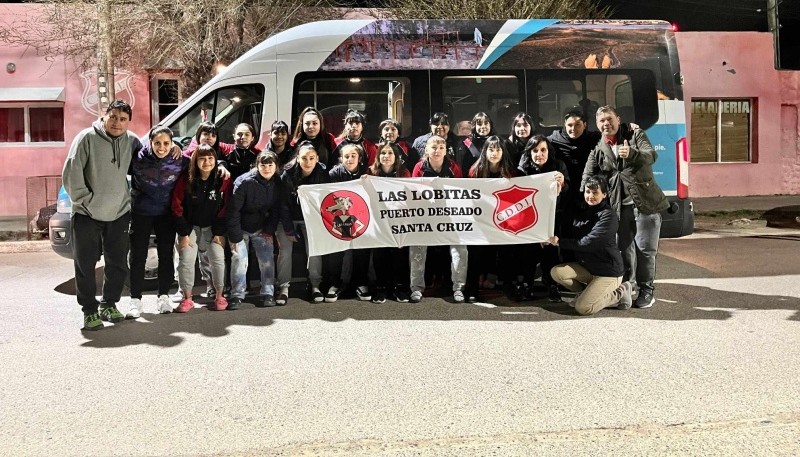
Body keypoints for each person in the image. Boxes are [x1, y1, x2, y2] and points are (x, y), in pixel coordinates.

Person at [62, 99, 141, 330]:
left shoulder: (132, 142)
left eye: (123, 119)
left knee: (117, 263)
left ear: (128, 122)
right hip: (87, 213)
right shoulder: (86, 138)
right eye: (113, 117)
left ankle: (109, 304)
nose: (117, 122)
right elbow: (71, 173)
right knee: (85, 264)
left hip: (119, 213)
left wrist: (175, 149)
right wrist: (85, 201)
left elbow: (151, 158)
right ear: (104, 116)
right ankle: (89, 311)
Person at [582, 105, 668, 309]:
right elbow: (588, 172)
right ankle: (628, 289)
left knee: (645, 250)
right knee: (624, 250)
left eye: (609, 119)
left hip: (645, 203)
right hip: (620, 207)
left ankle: (647, 291)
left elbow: (651, 156)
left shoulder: (634, 133)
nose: (606, 123)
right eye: (601, 120)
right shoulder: (599, 146)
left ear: (618, 119)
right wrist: (586, 191)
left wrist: (632, 153)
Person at [548, 175, 633, 315]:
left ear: (604, 194)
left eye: (595, 192)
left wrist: (559, 242)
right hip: (588, 268)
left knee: (583, 308)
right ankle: (586, 294)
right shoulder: (581, 209)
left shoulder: (608, 216)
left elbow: (589, 243)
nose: (590, 196)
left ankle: (619, 292)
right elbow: (563, 207)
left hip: (608, 272)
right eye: (588, 192)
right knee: (557, 272)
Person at [127, 125, 187, 318]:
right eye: (157, 143)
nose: (162, 147)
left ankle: (163, 297)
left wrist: (221, 166)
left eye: (167, 143)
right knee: (138, 257)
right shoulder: (137, 158)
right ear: (150, 143)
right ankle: (135, 300)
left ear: (172, 144)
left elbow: (201, 159)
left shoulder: (179, 159)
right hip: (141, 212)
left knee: (166, 256)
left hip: (166, 214)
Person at [171, 144, 232, 313]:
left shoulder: (222, 179)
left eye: (210, 158)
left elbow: (226, 206)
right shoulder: (186, 179)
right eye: (202, 158)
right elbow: (176, 206)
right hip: (190, 226)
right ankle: (187, 298)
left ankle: (220, 295)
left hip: (213, 226)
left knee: (218, 258)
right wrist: (183, 233)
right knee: (186, 259)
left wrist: (219, 233)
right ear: (195, 161)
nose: (206, 162)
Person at [409, 135, 467, 303]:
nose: (437, 150)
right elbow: (414, 193)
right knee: (417, 248)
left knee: (460, 248)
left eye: (441, 147)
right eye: (433, 147)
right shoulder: (419, 167)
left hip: (450, 216)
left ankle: (459, 288)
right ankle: (416, 287)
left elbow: (461, 191)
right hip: (424, 216)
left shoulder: (453, 167)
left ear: (445, 150)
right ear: (426, 149)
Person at [227, 151, 288, 309]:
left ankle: (268, 292)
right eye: (263, 165)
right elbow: (233, 211)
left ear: (276, 166)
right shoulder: (244, 182)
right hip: (240, 227)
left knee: (267, 259)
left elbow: (276, 210)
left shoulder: (278, 182)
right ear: (257, 165)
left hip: (262, 227)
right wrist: (236, 237)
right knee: (240, 259)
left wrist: (269, 230)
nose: (266, 168)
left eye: (270, 165)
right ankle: (237, 294)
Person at [464, 135, 516, 303]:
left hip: (503, 220)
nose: (494, 153)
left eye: (498, 149)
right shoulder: (475, 170)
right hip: (480, 220)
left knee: (506, 254)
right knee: (475, 255)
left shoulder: (510, 171)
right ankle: (471, 288)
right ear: (485, 151)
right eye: (491, 149)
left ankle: (508, 286)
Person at [517, 134, 568, 302]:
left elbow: (568, 189)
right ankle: (527, 285)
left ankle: (552, 285)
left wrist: (563, 182)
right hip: (529, 220)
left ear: (548, 151)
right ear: (529, 152)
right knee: (528, 254)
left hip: (552, 219)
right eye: (535, 150)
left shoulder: (558, 166)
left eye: (543, 150)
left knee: (551, 253)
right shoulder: (522, 169)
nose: (539, 154)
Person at [277, 141, 330, 303]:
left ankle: (315, 285)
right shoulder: (287, 173)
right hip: (289, 217)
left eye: (311, 158)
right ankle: (284, 287)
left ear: (317, 158)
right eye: (304, 158)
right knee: (285, 251)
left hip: (311, 218)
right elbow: (283, 204)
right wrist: (288, 229)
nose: (308, 162)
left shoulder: (323, 172)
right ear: (298, 158)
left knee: (314, 250)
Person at [326, 143, 371, 303]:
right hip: (339, 219)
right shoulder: (333, 174)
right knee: (337, 251)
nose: (350, 159)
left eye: (353, 156)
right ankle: (334, 284)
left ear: (359, 158)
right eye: (346, 156)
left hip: (361, 218)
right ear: (341, 159)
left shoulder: (367, 173)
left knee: (362, 252)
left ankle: (361, 283)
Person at [367, 141, 412, 303]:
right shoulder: (371, 173)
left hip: (400, 222)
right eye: (383, 153)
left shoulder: (404, 173)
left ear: (396, 157)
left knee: (399, 255)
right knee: (380, 256)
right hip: (379, 222)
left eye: (390, 153)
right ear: (378, 156)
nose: (386, 156)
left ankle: (399, 288)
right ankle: (381, 288)